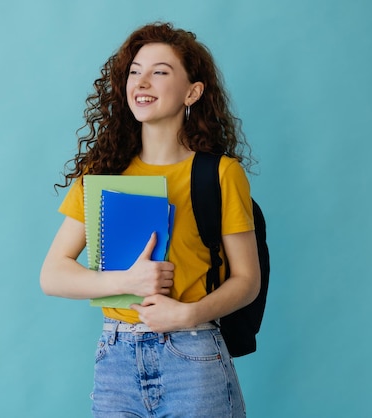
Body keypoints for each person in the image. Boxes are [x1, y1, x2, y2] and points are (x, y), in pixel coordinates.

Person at [40, 22, 260, 417]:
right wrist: (127, 282)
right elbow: (52, 274)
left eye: (160, 71)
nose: (142, 81)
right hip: (116, 360)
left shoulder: (221, 174)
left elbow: (247, 280)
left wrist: (189, 313)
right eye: (135, 71)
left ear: (192, 92)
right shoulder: (101, 173)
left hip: (193, 353)